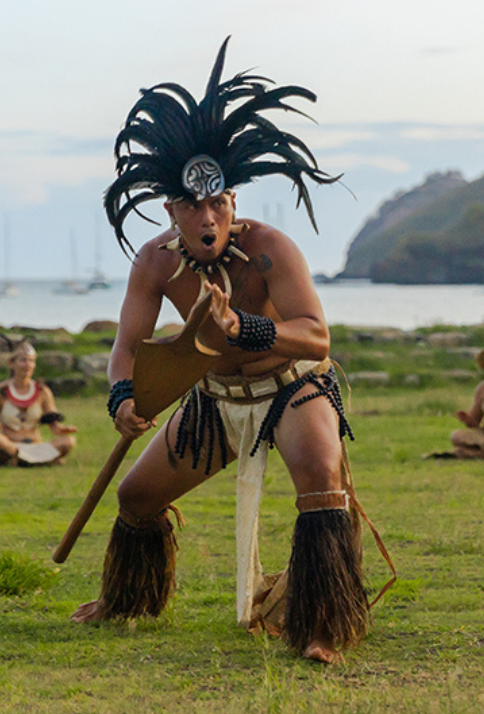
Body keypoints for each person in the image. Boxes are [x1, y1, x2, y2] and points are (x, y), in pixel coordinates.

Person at [71, 38, 391, 664]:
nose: (208, 215)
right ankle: (127, 599)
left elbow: (316, 335)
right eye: (194, 206)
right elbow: (127, 348)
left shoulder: (272, 250)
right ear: (173, 212)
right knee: (135, 499)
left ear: (234, 202)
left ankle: (323, 625)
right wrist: (121, 398)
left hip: (291, 387)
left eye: (218, 202)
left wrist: (245, 329)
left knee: (323, 482)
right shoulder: (155, 263)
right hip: (215, 397)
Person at [0, 340, 76, 466]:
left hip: (35, 445)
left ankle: (22, 460)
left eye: (31, 361)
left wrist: (62, 429)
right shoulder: (0, 392)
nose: (28, 365)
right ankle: (38, 460)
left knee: (68, 441)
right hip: (11, 444)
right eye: (23, 360)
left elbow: (53, 425)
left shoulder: (42, 391)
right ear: (12, 363)